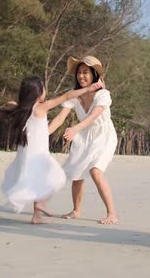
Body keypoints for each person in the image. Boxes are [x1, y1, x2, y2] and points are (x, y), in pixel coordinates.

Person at [1, 75, 103, 224]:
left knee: (38, 181)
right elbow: (66, 96)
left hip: (25, 155)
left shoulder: (22, 110)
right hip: (39, 156)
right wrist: (88, 89)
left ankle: (37, 215)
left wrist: (16, 104)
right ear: (37, 93)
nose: (45, 91)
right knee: (57, 178)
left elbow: (9, 104)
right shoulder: (41, 107)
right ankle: (41, 206)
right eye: (43, 88)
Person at [49, 56, 119, 225]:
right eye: (79, 73)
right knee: (76, 173)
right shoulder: (75, 96)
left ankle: (112, 213)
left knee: (95, 171)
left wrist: (74, 129)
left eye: (85, 72)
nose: (81, 76)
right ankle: (76, 210)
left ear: (94, 74)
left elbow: (94, 117)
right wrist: (43, 134)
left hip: (104, 136)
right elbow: (59, 119)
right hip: (84, 136)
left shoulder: (103, 94)